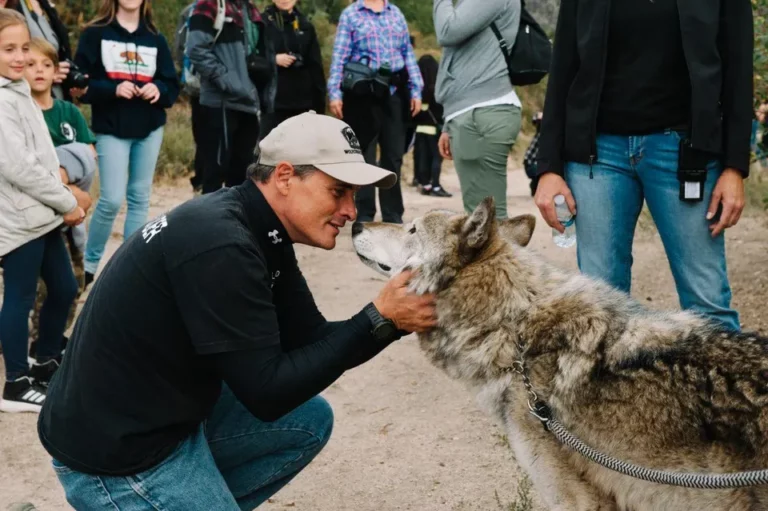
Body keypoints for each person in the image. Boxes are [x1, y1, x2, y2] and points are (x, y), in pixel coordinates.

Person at [38, 112, 437, 509]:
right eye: (338, 191)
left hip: (160, 418)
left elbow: (310, 337)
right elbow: (266, 394)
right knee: (289, 410)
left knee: (308, 421)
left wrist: (392, 320)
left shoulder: (259, 226)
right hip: (118, 458)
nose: (352, 210)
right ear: (284, 177)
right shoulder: (223, 245)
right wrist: (380, 319)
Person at [534, 0, 753, 332]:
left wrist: (735, 166)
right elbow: (564, 64)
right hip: (599, 156)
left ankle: (725, 385)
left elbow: (738, 67)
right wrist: (548, 168)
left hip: (684, 154)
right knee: (599, 309)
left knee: (708, 307)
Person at [0, 8, 87, 413]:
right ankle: (16, 383)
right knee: (18, 297)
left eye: (23, 47)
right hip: (18, 219)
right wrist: (67, 200)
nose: (19, 57)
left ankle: (44, 357)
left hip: (42, 215)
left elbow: (44, 156)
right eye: (8, 49)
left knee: (66, 288)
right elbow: (19, 167)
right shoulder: (2, 101)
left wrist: (62, 194)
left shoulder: (19, 91)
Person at [74, 0, 180, 288]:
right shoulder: (95, 34)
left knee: (140, 198)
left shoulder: (155, 38)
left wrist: (158, 88)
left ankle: (128, 269)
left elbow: (172, 83)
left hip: (150, 128)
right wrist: (112, 89)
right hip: (111, 127)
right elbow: (78, 84)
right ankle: (88, 266)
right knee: (110, 199)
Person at [25, 37, 98, 352]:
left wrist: (66, 165)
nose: (39, 71)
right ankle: (38, 342)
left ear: (56, 71)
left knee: (75, 280)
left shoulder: (68, 111)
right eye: (31, 65)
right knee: (41, 286)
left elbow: (88, 153)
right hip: (38, 214)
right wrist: (64, 168)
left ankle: (56, 335)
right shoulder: (21, 113)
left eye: (46, 65)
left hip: (71, 213)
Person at [327, 0, 423, 224]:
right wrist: (334, 93)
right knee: (363, 156)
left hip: (393, 93)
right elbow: (339, 57)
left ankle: (393, 216)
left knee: (393, 156)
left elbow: (407, 53)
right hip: (361, 95)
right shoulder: (351, 15)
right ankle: (364, 215)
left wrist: (416, 89)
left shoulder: (395, 14)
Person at [433, 0, 523, 220]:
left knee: (487, 222)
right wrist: (449, 123)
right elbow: (463, 58)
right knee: (482, 218)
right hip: (472, 112)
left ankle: (501, 256)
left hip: (481, 113)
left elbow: (447, 30)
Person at [186, 0, 277, 194]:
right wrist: (226, 80)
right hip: (221, 102)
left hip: (249, 102)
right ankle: (209, 224)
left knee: (242, 175)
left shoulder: (251, 10)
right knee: (214, 175)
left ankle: (232, 222)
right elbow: (195, 48)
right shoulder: (210, 5)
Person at [260, 0, 326, 138]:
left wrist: (320, 106)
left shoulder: (305, 25)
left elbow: (316, 67)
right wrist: (273, 59)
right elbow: (251, 58)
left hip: (303, 105)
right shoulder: (262, 23)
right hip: (272, 104)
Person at [412, 54, 451, 198]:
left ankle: (425, 185)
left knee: (422, 157)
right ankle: (435, 185)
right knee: (436, 158)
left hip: (419, 129)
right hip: (434, 129)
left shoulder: (417, 91)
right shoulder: (436, 89)